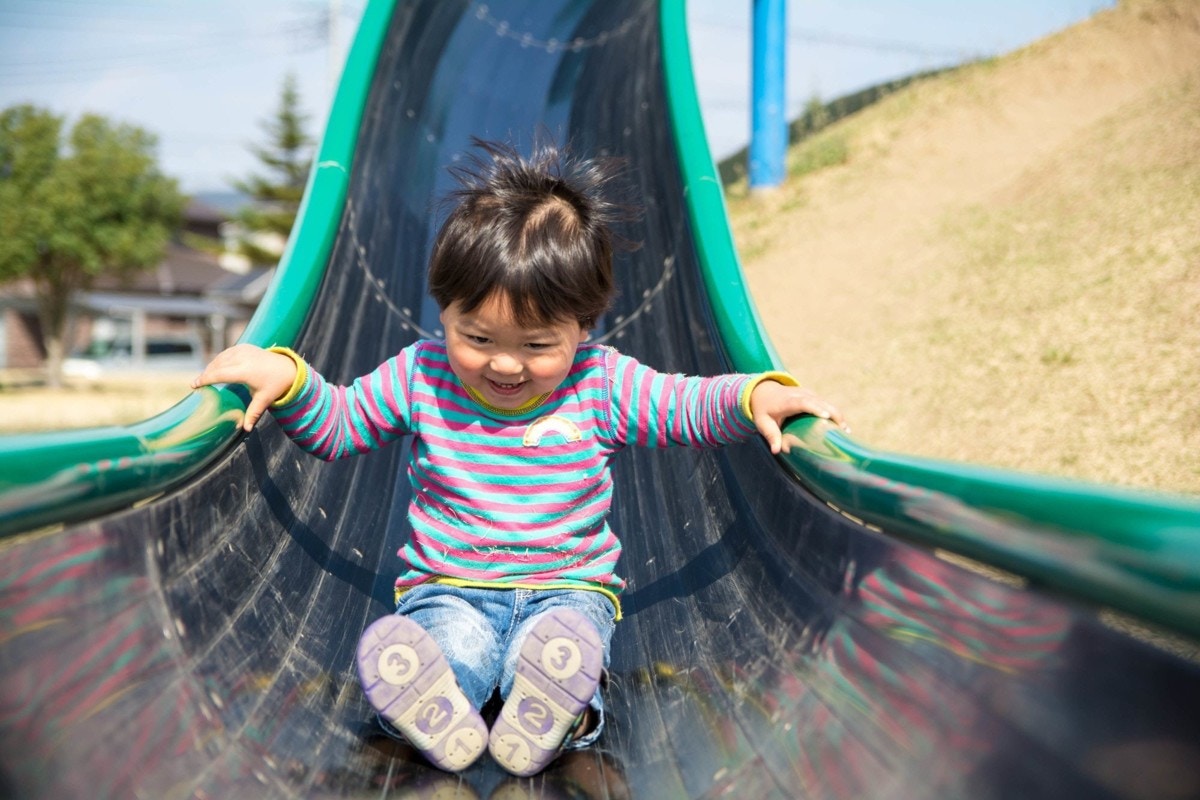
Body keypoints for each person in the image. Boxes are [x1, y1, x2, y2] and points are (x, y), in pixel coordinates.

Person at [190, 138, 847, 776]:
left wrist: (752, 395)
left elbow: (682, 405)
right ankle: (430, 705)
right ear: (442, 312)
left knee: (560, 647)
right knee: (451, 646)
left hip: (568, 586)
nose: (504, 364)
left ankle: (561, 712)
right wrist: (291, 381)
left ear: (583, 328)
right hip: (449, 586)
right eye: (476, 337)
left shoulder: (602, 382)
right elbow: (339, 426)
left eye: (537, 346)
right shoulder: (420, 375)